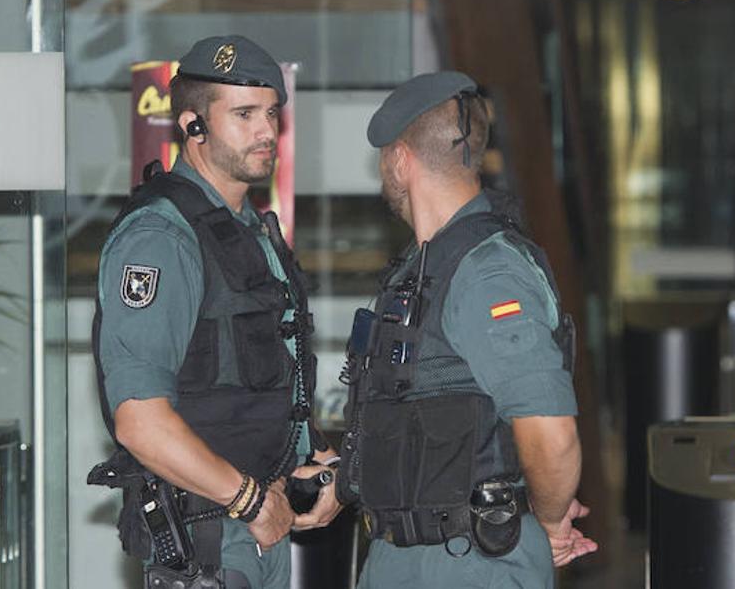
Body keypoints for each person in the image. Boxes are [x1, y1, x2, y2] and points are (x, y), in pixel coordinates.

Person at [89, 35, 341, 589]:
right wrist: (248, 499)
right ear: (192, 125)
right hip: (207, 535)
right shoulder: (160, 236)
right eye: (245, 114)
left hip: (259, 527)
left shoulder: (248, 229)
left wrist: (319, 459)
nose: (267, 132)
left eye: (272, 114)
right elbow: (140, 419)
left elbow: (249, 380)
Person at [337, 71, 597, 588]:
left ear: (400, 162)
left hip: (470, 563)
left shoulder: (486, 271)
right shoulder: (425, 266)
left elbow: (551, 433)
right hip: (407, 557)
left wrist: (545, 520)